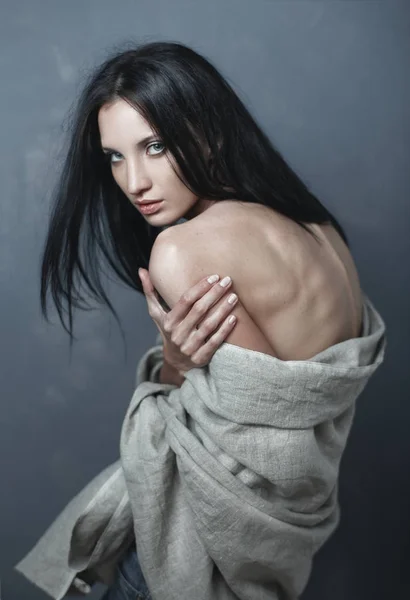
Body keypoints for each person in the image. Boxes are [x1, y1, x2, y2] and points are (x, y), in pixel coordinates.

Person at [16, 41, 386, 600]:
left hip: (199, 551)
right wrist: (183, 363)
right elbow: (273, 401)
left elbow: (249, 443)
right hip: (282, 541)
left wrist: (173, 365)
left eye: (154, 146)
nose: (133, 180)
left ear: (209, 131)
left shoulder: (183, 251)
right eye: (114, 155)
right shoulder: (318, 228)